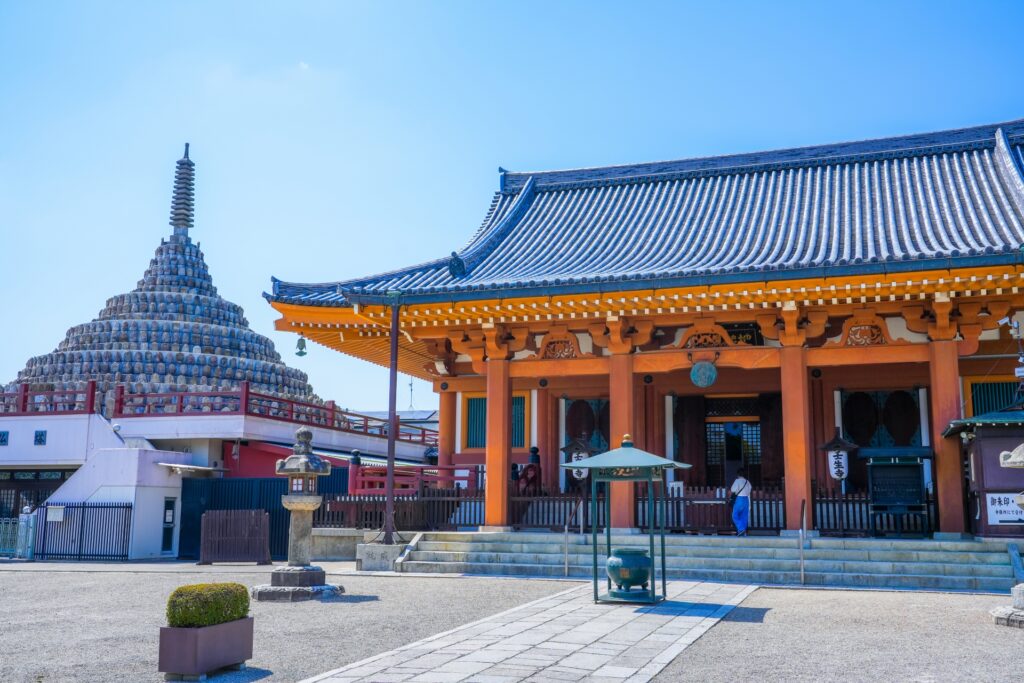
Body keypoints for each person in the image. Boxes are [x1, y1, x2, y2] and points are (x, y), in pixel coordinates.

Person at [729, 468, 752, 537]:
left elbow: (733, 489)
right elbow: (749, 490)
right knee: (744, 517)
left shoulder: (737, 481)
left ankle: (741, 529)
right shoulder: (747, 482)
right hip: (746, 500)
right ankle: (742, 533)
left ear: (738, 474)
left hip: (739, 499)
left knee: (734, 515)